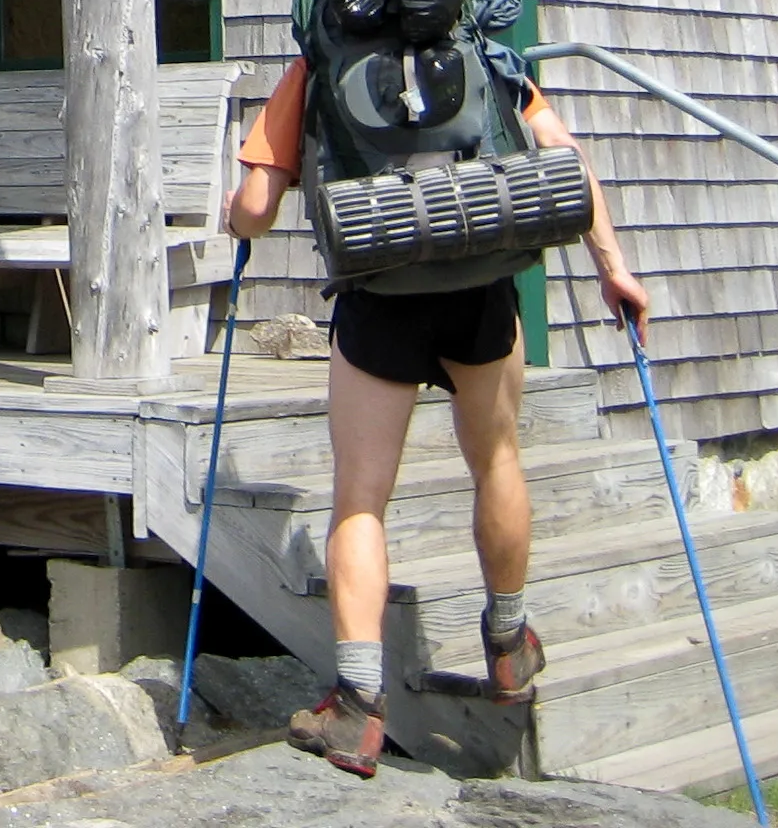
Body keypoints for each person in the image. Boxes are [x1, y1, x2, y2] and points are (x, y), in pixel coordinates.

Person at [223, 49, 651, 779]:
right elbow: (568, 160)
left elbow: (257, 209)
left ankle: (358, 703)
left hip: (380, 288)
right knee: (497, 459)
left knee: (362, 498)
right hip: (478, 284)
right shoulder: (480, 53)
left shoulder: (319, 66)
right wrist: (613, 267)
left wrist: (237, 221)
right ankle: (510, 646)